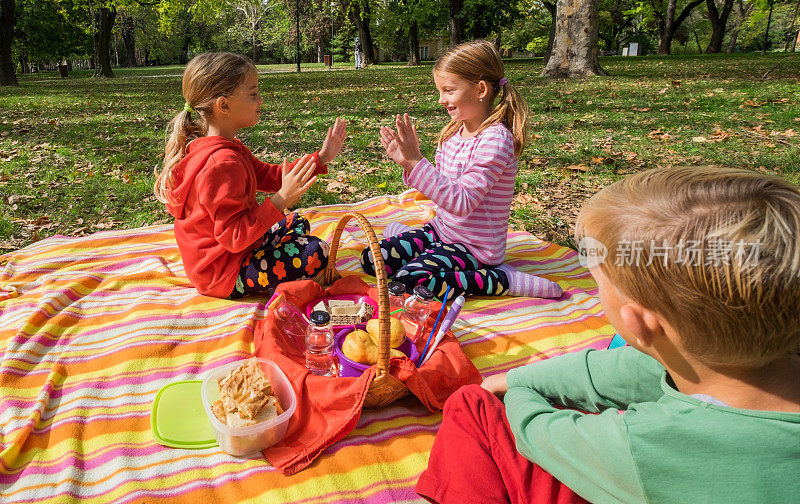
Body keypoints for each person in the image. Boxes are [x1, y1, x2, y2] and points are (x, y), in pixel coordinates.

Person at [416, 166, 800, 504]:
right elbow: (628, 367)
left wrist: (513, 393)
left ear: (639, 322)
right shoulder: (753, 361)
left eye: (598, 282)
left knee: (471, 406)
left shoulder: (642, 443)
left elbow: (540, 431)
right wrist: (514, 376)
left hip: (631, 466)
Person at [361, 39, 562, 300]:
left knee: (410, 281)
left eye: (449, 90)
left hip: (475, 247)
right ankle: (419, 244)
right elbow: (443, 190)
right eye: (440, 91)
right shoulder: (453, 133)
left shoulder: (496, 140)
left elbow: (462, 201)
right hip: (441, 231)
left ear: (480, 89)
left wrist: (415, 163)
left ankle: (500, 279)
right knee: (372, 258)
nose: (441, 99)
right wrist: (406, 162)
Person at [154, 52, 347, 299]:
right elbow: (234, 238)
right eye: (253, 93)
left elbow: (268, 175)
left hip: (237, 251)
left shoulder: (226, 148)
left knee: (298, 222)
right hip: (223, 273)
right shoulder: (220, 164)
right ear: (224, 105)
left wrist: (320, 159)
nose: (261, 100)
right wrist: (281, 200)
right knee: (315, 251)